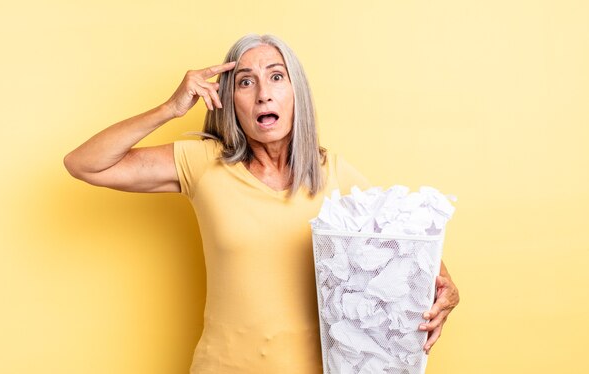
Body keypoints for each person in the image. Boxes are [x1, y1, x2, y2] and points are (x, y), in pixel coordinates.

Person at [64, 34, 459, 373]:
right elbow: (85, 164)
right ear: (228, 99)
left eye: (276, 76)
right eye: (245, 82)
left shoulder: (335, 176)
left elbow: (415, 257)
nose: (263, 93)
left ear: (295, 93)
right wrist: (171, 107)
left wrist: (446, 293)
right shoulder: (202, 163)